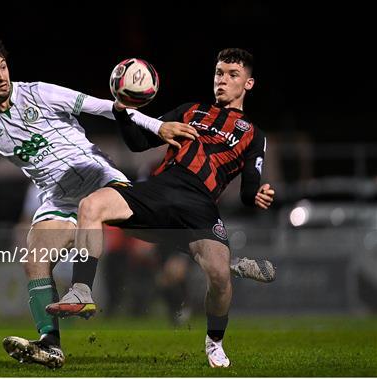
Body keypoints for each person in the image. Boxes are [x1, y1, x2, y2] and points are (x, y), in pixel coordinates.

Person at [0, 38, 197, 369]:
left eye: (2, 67)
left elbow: (104, 106)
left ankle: (214, 247)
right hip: (59, 198)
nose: (0, 76)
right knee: (35, 256)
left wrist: (157, 125)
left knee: (161, 234)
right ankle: (50, 344)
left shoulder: (39, 92)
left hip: (97, 178)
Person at [47, 48, 276, 368]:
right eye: (219, 73)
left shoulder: (253, 134)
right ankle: (81, 290)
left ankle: (214, 342)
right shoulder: (191, 111)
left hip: (200, 205)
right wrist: (123, 110)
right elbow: (139, 142)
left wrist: (257, 196)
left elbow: (248, 189)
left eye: (232, 75)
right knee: (91, 205)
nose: (222, 80)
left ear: (248, 84)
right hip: (160, 190)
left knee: (219, 276)